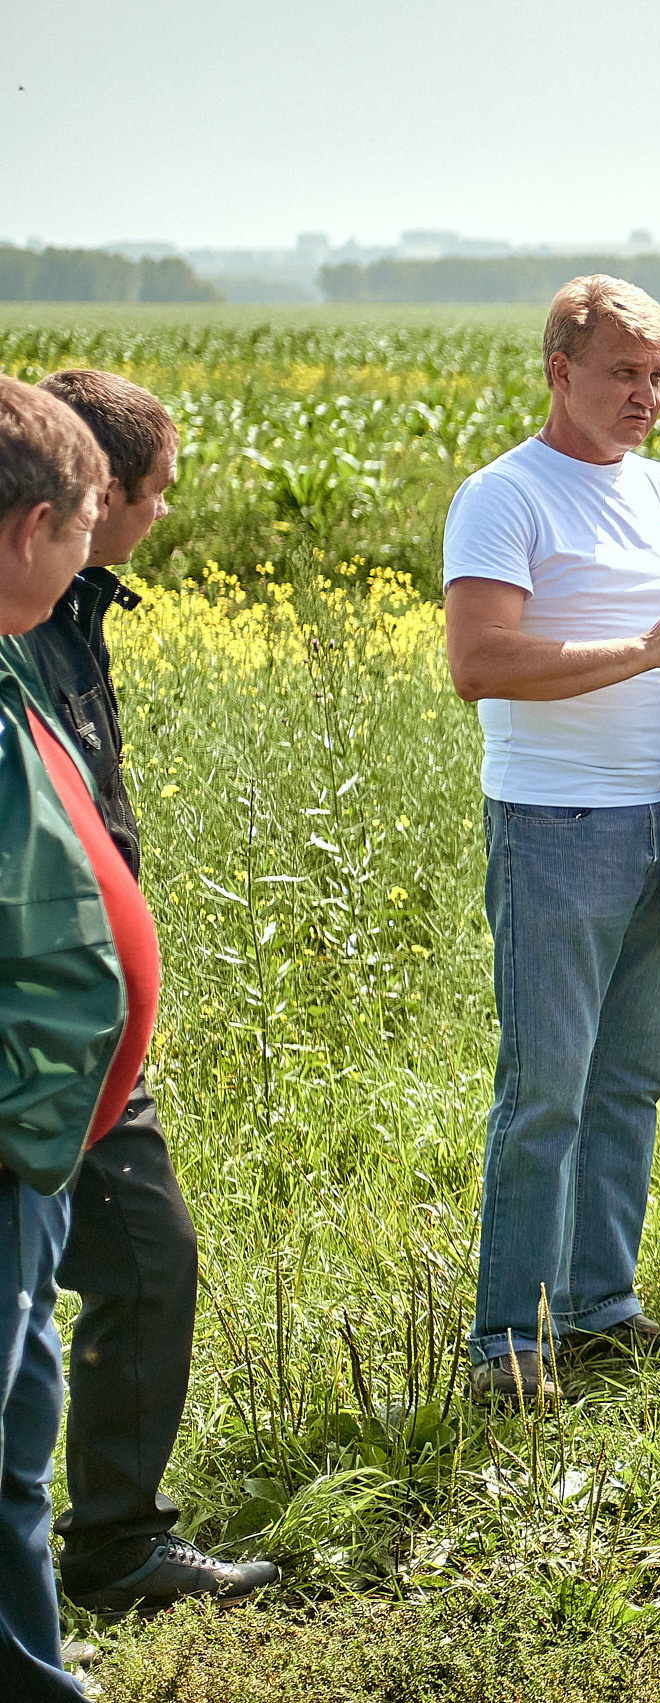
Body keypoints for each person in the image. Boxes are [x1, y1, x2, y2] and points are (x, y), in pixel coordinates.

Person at [443, 276, 660, 1407]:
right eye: (622, 374)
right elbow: (479, 663)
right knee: (545, 1086)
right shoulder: (503, 497)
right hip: (557, 827)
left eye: (657, 376)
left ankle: (601, 1307)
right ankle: (505, 1340)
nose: (646, 396)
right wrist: (647, 649)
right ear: (560, 371)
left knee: (630, 1081)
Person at [24, 371, 278, 1618]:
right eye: (154, 492)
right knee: (132, 1264)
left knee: (144, 1260)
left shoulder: (68, 607)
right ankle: (106, 1550)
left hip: (82, 1028)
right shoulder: (25, 619)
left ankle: (112, 1544)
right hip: (39, 1038)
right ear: (93, 496)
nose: (163, 513)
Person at [0, 376, 161, 1699]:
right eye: (83, 521)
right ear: (29, 527)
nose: (92, 542)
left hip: (41, 1130)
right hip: (15, 1127)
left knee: (15, 1430)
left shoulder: (20, 659)